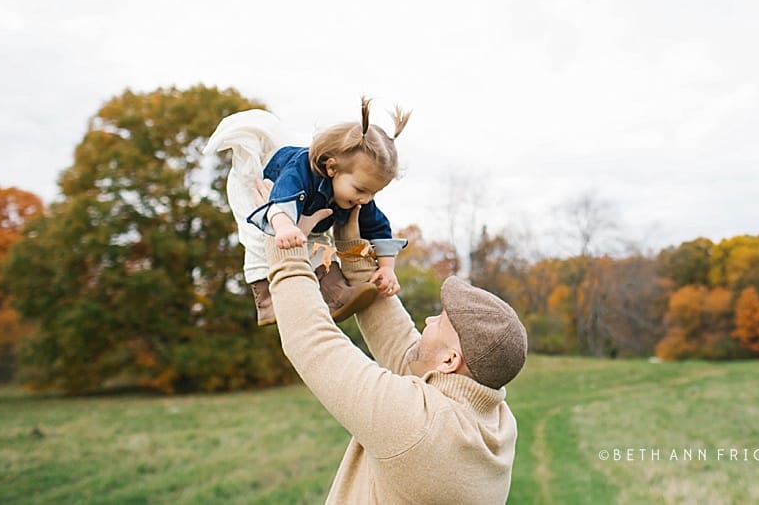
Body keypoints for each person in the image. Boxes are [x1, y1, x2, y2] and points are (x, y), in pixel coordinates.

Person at [257, 178, 528, 504]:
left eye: (438, 322)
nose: (426, 321)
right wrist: (353, 251)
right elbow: (403, 347)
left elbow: (312, 341)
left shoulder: (418, 427)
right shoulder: (496, 421)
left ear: (450, 361)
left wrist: (281, 236)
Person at [203, 97, 410, 326]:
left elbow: (378, 228)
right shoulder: (299, 172)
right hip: (263, 191)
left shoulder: (359, 194)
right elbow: (281, 197)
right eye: (361, 189)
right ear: (331, 168)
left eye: (374, 193)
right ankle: (266, 301)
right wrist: (283, 226)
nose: (366, 199)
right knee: (260, 240)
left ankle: (337, 295)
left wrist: (387, 268)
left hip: (307, 214)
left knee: (320, 247)